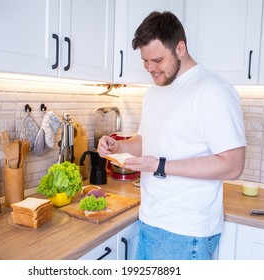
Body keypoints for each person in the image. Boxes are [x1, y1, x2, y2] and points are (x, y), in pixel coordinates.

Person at [97, 11, 246, 260]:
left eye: (156, 60)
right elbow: (145, 142)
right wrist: (117, 146)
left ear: (180, 48)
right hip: (150, 220)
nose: (150, 69)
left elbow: (233, 165)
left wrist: (160, 166)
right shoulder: (155, 91)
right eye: (145, 61)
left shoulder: (212, 90)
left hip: (187, 232)